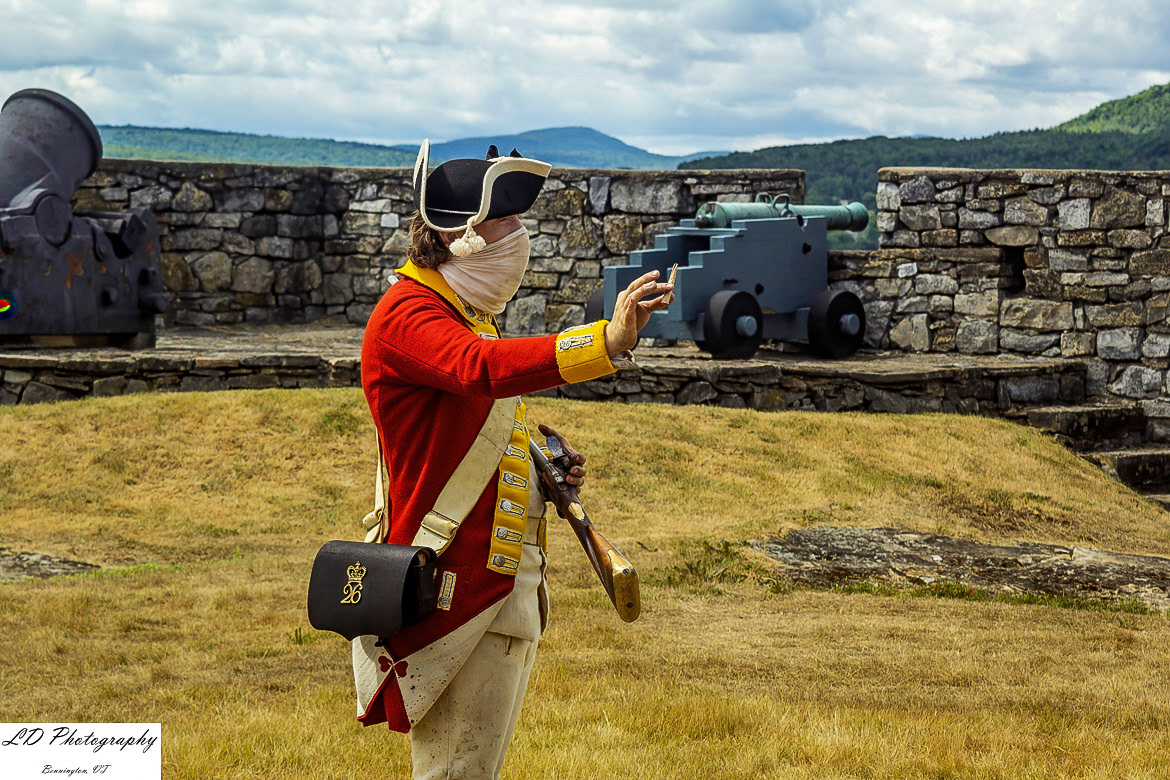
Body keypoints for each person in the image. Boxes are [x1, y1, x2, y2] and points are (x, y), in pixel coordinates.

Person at [353, 139, 672, 780]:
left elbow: (473, 413)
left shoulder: (463, 312)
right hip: (452, 584)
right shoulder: (408, 315)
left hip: (503, 583)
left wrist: (536, 458)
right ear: (460, 237)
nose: (519, 235)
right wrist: (604, 342)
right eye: (504, 222)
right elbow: (478, 371)